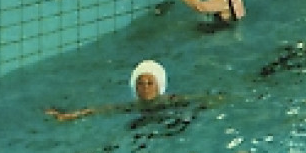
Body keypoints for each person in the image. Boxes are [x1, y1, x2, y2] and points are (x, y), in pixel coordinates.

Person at [44, 59, 215, 121]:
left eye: (150, 83)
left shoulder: (173, 101)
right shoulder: (133, 107)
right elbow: (101, 110)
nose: (145, 88)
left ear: (159, 86)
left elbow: (201, 99)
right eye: (140, 83)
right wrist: (69, 115)